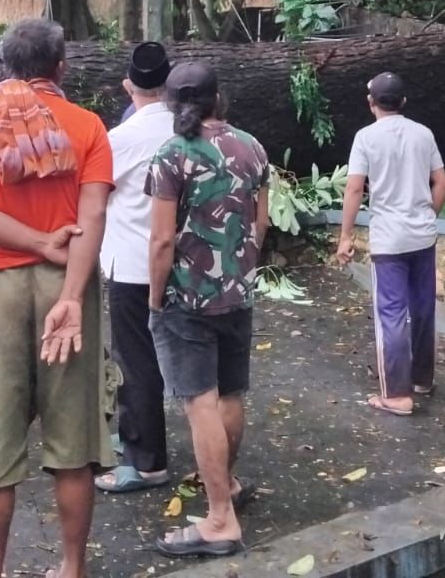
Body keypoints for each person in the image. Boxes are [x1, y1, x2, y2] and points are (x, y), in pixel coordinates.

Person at [0, 18, 115, 578]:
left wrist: (35, 241)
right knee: (73, 442)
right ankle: (71, 568)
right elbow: (92, 217)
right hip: (68, 282)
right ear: (61, 67)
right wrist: (71, 296)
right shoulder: (87, 127)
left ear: (4, 66)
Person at [146, 62, 269, 560]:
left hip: (187, 297)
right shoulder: (252, 147)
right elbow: (260, 225)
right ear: (219, 98)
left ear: (173, 104)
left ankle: (220, 519)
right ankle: (228, 485)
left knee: (200, 404)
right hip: (236, 291)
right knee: (230, 393)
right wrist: (239, 272)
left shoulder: (172, 155)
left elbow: (161, 240)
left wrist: (155, 298)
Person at [335, 72, 445, 416]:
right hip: (422, 235)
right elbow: (441, 182)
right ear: (403, 102)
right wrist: (428, 214)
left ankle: (397, 395)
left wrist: (346, 236)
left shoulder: (366, 137)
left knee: (391, 313)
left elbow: (355, 188)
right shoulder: (423, 133)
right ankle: (422, 379)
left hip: (389, 239)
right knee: (423, 308)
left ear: (371, 103)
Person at [97, 41, 175, 494]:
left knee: (136, 361)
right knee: (172, 356)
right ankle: (135, 434)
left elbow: (97, 195)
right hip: (183, 263)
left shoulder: (120, 139)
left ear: (129, 86)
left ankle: (147, 462)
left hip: (132, 265)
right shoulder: (191, 132)